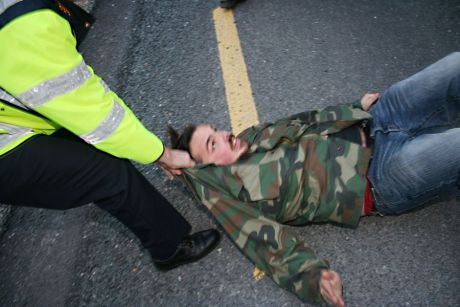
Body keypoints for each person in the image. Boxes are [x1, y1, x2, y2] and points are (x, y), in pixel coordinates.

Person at [169, 52, 460, 306]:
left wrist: (353, 105)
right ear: (206, 172)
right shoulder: (229, 191)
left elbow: (302, 122)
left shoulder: (249, 137)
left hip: (378, 117)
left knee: (453, 67)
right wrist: (314, 278)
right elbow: (267, 246)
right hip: (382, 175)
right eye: (212, 145)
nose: (223, 135)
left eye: (216, 131)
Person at [0, 0, 221, 272]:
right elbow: (97, 116)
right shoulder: (23, 26)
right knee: (107, 171)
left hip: (11, 120)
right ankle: (169, 247)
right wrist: (161, 154)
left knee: (94, 148)